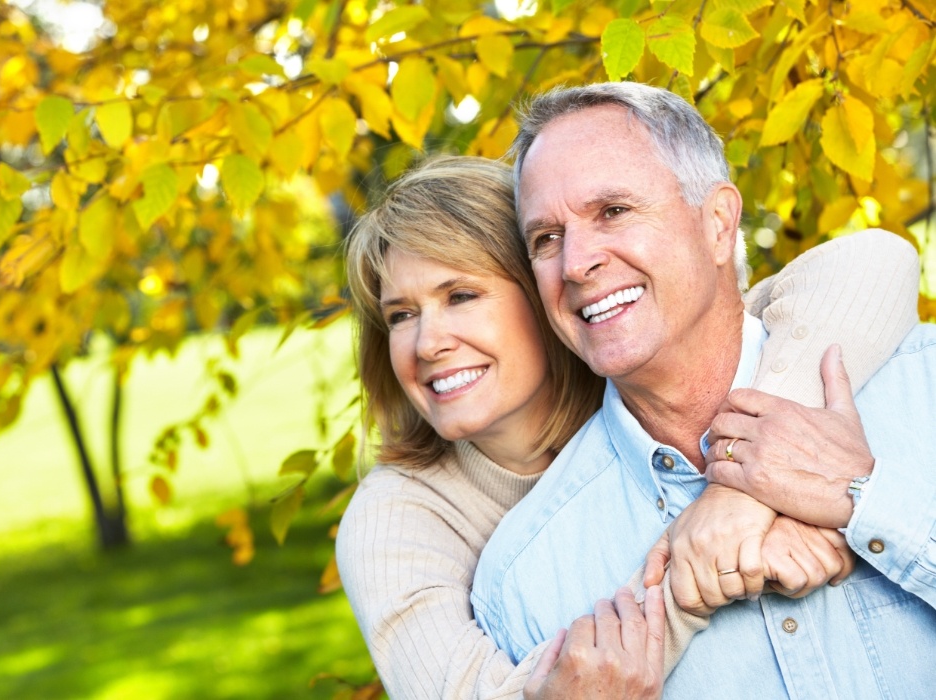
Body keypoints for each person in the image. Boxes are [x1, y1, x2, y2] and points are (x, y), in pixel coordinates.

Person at [337, 154, 919, 698]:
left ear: (548, 293)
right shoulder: (396, 519)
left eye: (460, 295)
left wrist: (744, 487)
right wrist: (707, 576)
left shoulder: (639, 374)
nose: (428, 342)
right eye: (401, 316)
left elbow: (869, 264)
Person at [470, 82, 934, 698]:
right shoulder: (524, 579)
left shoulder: (921, 385)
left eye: (613, 210)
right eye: (546, 239)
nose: (576, 263)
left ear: (718, 223)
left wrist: (868, 505)